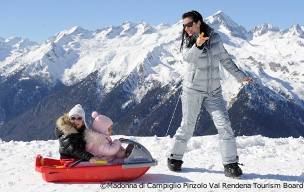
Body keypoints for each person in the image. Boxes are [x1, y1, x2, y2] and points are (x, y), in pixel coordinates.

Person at [167, 10, 250, 178]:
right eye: (184, 26)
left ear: (198, 22)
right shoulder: (188, 40)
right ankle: (174, 157)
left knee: (224, 125)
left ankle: (230, 164)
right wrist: (197, 45)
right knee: (187, 126)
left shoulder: (216, 38)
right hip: (192, 91)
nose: (187, 29)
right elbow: (187, 58)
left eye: (189, 24)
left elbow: (225, 60)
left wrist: (241, 76)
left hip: (214, 92)